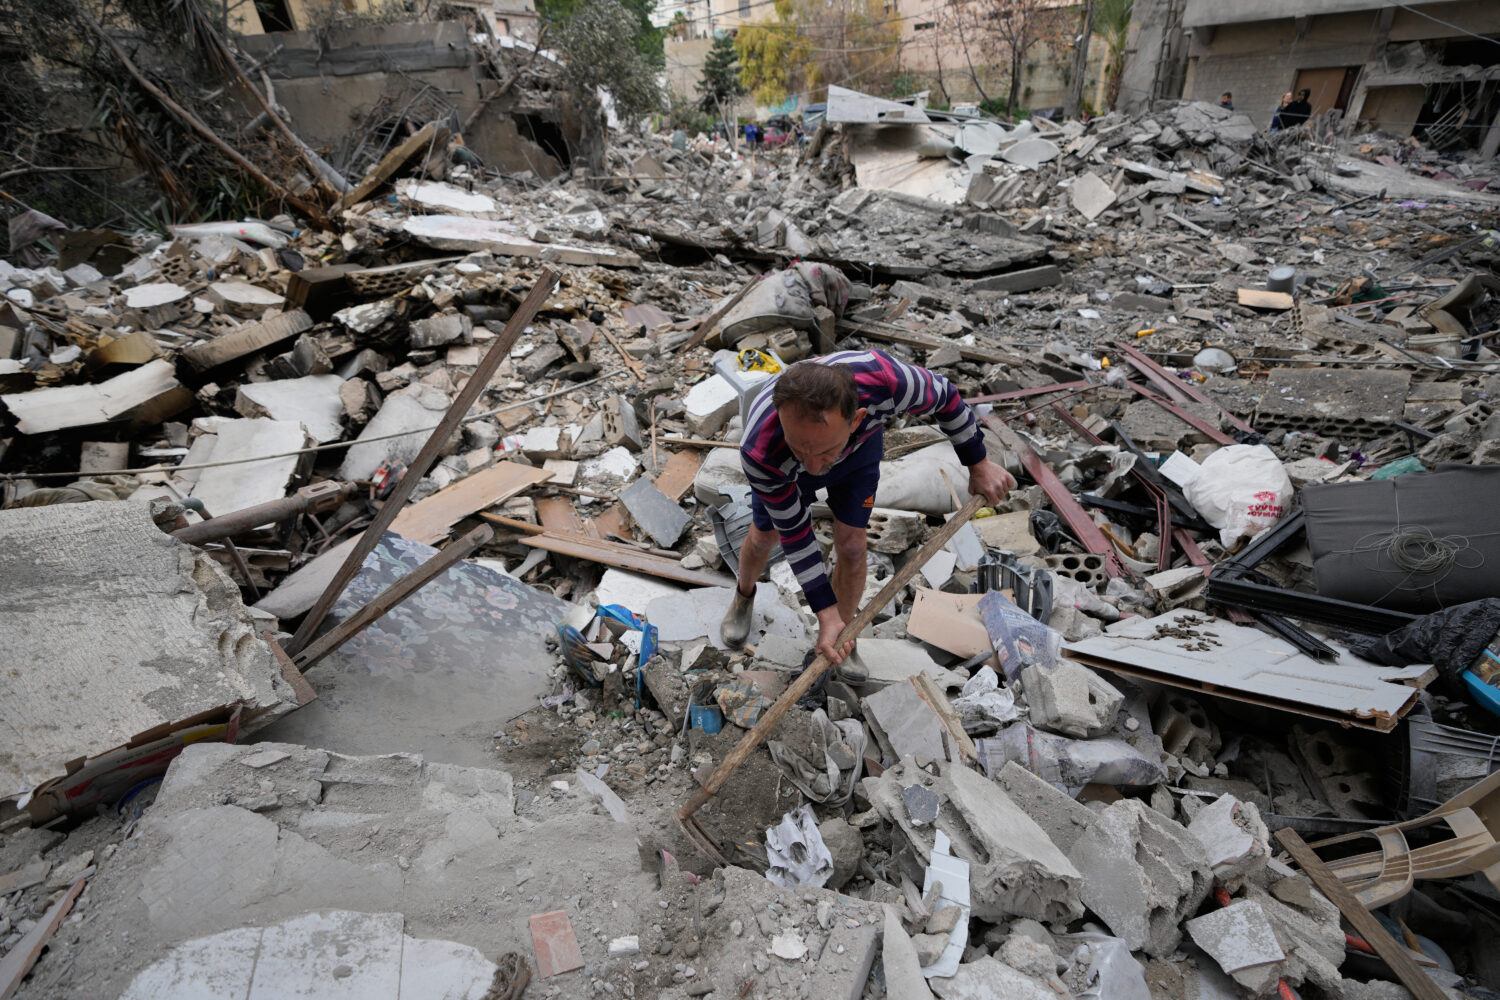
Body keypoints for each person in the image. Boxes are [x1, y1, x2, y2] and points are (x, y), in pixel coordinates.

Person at [720, 350, 1017, 666]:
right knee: (765, 537)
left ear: (857, 417)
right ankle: (743, 595)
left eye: (822, 451)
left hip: (857, 454)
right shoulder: (760, 452)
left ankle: (839, 637)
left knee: (852, 546)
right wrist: (824, 609)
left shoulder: (888, 381)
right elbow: (797, 534)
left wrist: (978, 464)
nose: (812, 464)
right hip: (783, 467)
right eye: (801, 448)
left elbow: (946, 397)